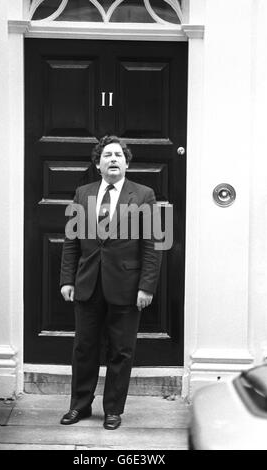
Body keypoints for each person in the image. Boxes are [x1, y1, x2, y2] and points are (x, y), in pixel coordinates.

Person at [59, 135, 162, 430]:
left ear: (127, 162)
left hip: (128, 287)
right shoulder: (82, 193)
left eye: (118, 155)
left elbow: (154, 244)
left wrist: (147, 286)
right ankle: (79, 406)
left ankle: (113, 409)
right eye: (107, 155)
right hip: (88, 284)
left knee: (121, 350)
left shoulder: (144, 195)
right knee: (84, 348)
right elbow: (70, 241)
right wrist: (67, 279)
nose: (113, 159)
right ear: (98, 163)